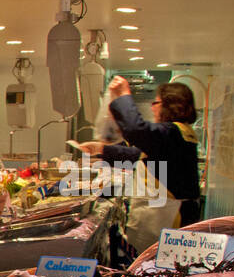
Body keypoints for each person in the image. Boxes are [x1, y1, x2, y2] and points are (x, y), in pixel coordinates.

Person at [79, 77, 202, 253]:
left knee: (153, 269)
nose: (153, 107)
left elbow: (136, 130)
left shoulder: (172, 132)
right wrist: (102, 149)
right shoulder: (180, 133)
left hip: (168, 218)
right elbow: (140, 157)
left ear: (169, 105)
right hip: (166, 214)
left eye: (156, 102)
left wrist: (123, 95)